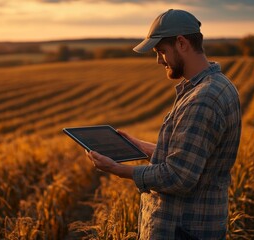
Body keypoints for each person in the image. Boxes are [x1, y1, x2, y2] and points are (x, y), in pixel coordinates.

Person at [86, 9, 241, 239]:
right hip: (195, 226)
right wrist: (140, 147)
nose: (158, 60)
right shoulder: (217, 85)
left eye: (161, 51)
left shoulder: (203, 99)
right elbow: (190, 157)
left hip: (183, 230)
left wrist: (119, 170)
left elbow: (179, 177)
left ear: (181, 43)